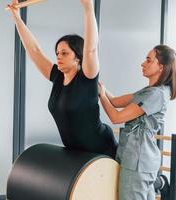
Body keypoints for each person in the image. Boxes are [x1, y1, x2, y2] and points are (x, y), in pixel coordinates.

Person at [7, 0, 118, 158]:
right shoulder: (57, 77)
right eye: (57, 53)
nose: (58, 57)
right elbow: (34, 50)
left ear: (78, 57)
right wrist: (17, 19)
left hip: (102, 150)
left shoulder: (87, 78)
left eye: (64, 53)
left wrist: (88, 7)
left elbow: (91, 49)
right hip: (77, 154)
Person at [98, 44, 176, 200]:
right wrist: (99, 85)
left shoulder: (155, 95)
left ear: (160, 67)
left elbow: (116, 117)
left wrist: (102, 96)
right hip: (140, 161)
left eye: (149, 60)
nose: (143, 63)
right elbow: (115, 101)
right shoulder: (149, 91)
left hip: (137, 162)